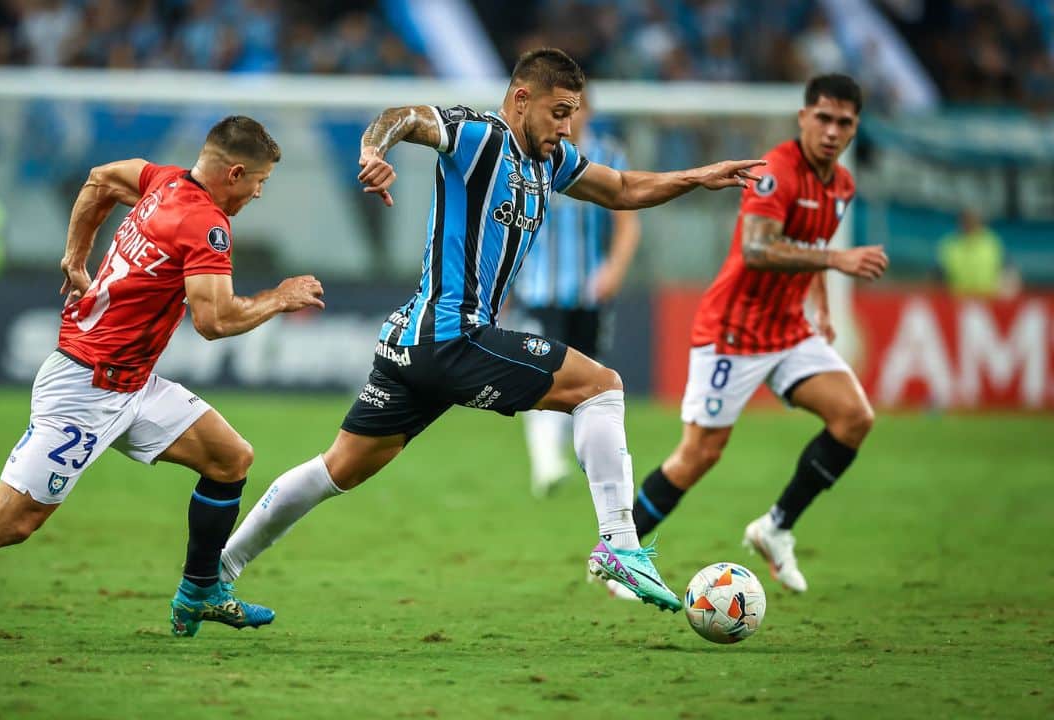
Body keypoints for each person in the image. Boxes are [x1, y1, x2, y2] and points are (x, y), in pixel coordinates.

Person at [216, 48, 765, 614]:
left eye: (572, 114)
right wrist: (372, 150)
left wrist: (698, 176)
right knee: (601, 387)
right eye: (558, 112)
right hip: (452, 335)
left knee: (338, 468)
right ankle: (621, 545)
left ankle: (215, 573)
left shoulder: (551, 161)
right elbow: (403, 116)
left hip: (415, 343)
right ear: (522, 99)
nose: (567, 127)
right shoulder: (479, 136)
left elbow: (622, 188)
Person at [0, 116, 326, 648]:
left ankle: (200, 590)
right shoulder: (205, 224)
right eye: (260, 181)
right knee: (11, 522)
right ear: (234, 173)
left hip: (132, 383)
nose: (258, 193)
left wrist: (74, 257)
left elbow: (100, 179)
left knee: (230, 459)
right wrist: (280, 297)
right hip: (84, 389)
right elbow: (214, 321)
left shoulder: (163, 181)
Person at [630, 74, 889, 593]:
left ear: (855, 127)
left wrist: (820, 301)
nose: (832, 131)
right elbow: (757, 248)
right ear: (803, 118)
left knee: (853, 418)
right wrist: (836, 260)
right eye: (823, 118)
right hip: (733, 330)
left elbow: (807, 241)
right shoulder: (776, 172)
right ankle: (618, 550)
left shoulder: (841, 183)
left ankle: (775, 527)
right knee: (700, 454)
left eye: (844, 122)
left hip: (788, 329)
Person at [510, 88, 641, 497]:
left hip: (589, 289)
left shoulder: (609, 155)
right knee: (542, 372)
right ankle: (547, 462)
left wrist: (615, 268)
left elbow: (627, 222)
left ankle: (571, 458)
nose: (570, 118)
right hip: (540, 287)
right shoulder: (531, 154)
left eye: (577, 110)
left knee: (588, 379)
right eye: (563, 109)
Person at [936, 209, 1011, 298]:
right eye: (965, 220)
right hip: (958, 298)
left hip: (988, 297)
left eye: (972, 220)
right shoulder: (948, 244)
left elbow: (1006, 270)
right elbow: (940, 274)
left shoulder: (992, 242)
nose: (969, 224)